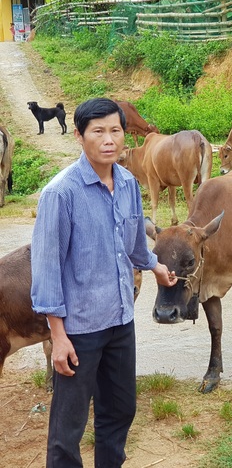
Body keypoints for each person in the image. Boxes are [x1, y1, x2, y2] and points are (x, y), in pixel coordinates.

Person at [31, 97, 178, 467]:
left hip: (120, 322)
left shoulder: (128, 183)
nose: (109, 139)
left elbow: (132, 245)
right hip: (79, 329)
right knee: (69, 429)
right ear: (79, 136)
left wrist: (156, 266)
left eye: (115, 130)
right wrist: (58, 337)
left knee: (119, 411)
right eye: (98, 131)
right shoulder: (60, 193)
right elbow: (46, 271)